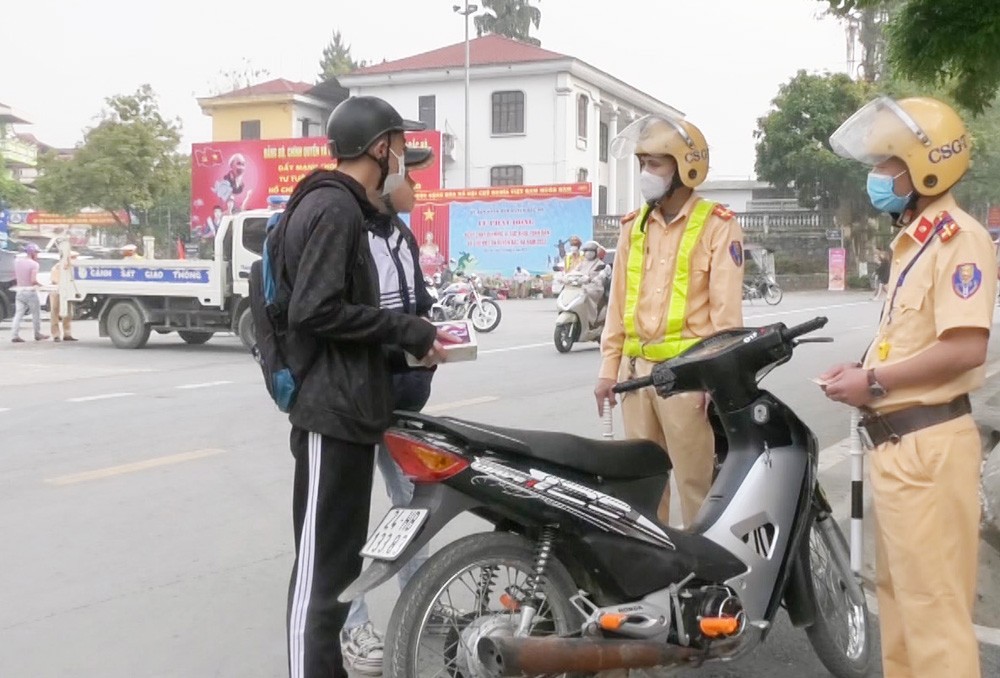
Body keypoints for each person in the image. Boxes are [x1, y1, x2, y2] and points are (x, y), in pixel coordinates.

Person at [278, 95, 456, 678]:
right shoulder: (335, 209)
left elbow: (344, 312)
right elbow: (315, 310)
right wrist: (402, 328)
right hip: (332, 411)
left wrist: (408, 339)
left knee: (334, 568)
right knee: (320, 578)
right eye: (401, 146)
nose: (405, 159)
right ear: (380, 148)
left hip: (353, 406)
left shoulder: (351, 209)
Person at [819, 96, 995, 678]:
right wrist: (866, 371)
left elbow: (965, 348)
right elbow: (913, 341)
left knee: (934, 619)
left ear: (926, 166)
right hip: (897, 449)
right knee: (897, 612)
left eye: (888, 163)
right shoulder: (913, 243)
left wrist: (871, 380)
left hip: (930, 449)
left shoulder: (958, 239)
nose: (878, 177)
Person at [595, 114, 744, 527]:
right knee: (642, 490)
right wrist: (608, 371)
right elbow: (617, 307)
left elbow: (726, 318)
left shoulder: (718, 226)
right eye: (642, 164)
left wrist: (717, 380)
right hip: (635, 378)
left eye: (655, 164)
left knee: (697, 488)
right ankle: (653, 577)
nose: (646, 174)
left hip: (688, 381)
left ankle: (707, 581)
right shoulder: (634, 227)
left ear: (684, 168)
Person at [339, 145, 441, 675]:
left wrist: (429, 340)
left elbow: (416, 304)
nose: (417, 187)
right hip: (357, 400)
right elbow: (341, 318)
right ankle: (352, 625)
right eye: (412, 175)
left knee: (412, 503)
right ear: (386, 172)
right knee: (346, 519)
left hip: (404, 395)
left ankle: (422, 596)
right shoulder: (347, 232)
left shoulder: (401, 234)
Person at [10, 243, 49, 343]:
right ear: (32, 253)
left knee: (18, 314)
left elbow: (15, 276)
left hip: (19, 291)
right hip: (30, 291)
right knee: (36, 314)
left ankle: (14, 335)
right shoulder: (34, 264)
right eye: (36, 253)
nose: (37, 255)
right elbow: (33, 280)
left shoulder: (17, 262)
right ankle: (37, 334)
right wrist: (41, 285)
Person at [571, 240, 609, 320]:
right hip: (582, 287)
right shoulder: (582, 263)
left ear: (596, 252)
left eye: (591, 251)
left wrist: (594, 278)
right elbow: (574, 271)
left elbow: (602, 274)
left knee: (586, 294)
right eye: (586, 251)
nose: (588, 253)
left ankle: (591, 318)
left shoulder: (600, 264)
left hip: (595, 288)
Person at [49, 251, 78, 342]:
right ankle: (56, 335)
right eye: (73, 257)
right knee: (55, 313)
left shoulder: (71, 268)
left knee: (68, 313)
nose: (74, 259)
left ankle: (67, 333)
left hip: (67, 293)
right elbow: (55, 280)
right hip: (57, 292)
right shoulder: (58, 267)